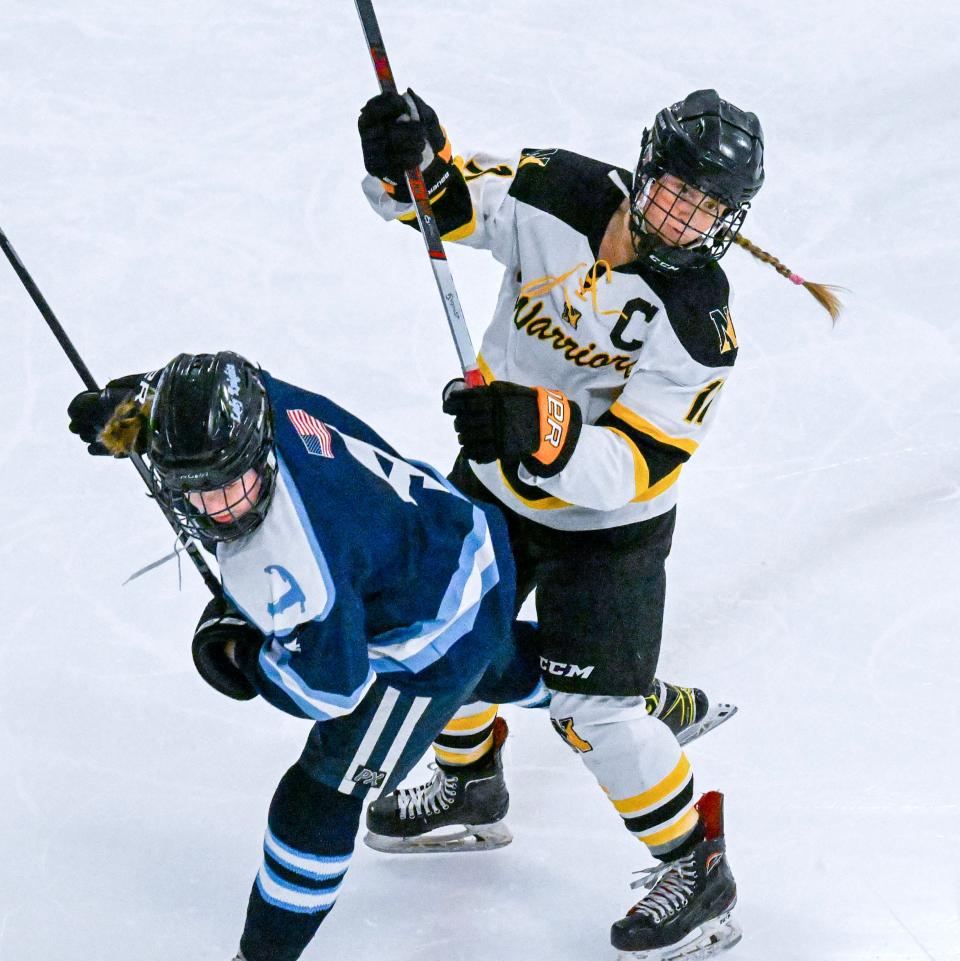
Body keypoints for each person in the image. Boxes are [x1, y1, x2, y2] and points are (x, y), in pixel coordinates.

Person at [357, 87, 841, 959]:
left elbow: (632, 467)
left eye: (709, 207)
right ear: (644, 167)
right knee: (442, 637)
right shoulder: (559, 189)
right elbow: (442, 204)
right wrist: (408, 161)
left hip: (609, 534)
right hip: (493, 485)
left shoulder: (701, 322)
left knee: (596, 713)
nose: (685, 217)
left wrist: (530, 424)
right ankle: (469, 785)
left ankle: (698, 868)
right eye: (674, 190)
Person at [66, 351, 548, 961]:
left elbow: (331, 689)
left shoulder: (294, 555)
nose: (219, 509)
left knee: (322, 790)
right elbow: (203, 396)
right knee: (494, 665)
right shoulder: (255, 400)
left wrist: (243, 656)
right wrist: (134, 415)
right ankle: (628, 696)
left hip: (431, 640)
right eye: (196, 488)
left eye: (228, 484)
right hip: (453, 537)